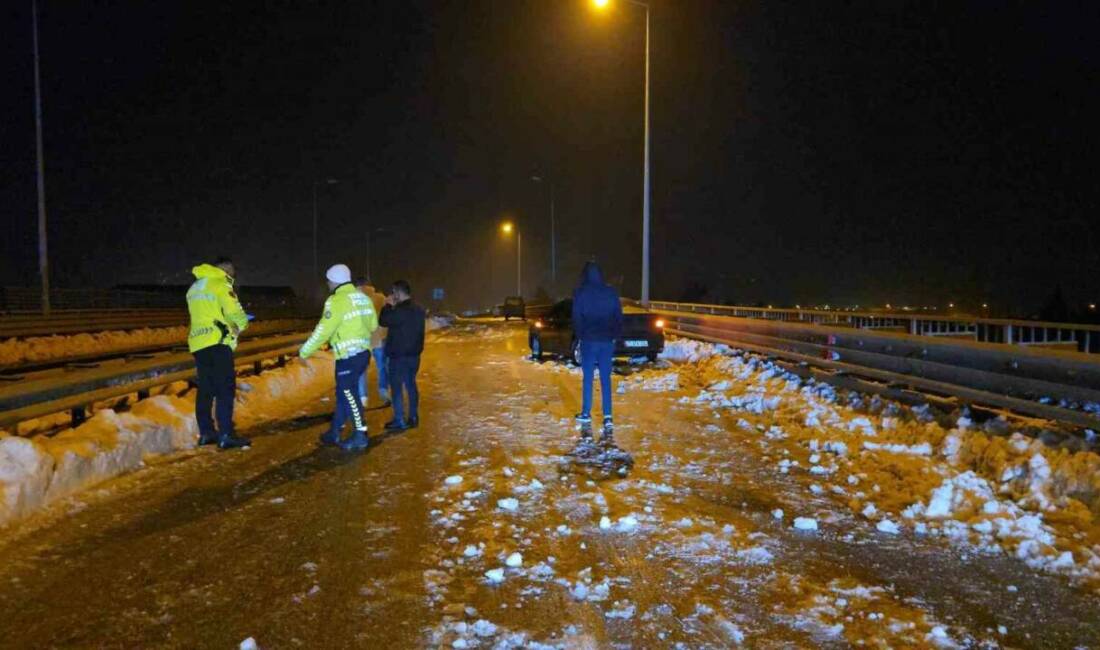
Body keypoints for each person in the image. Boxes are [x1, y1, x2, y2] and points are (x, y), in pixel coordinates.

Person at [299, 264, 378, 450]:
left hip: (348, 357)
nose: (327, 283)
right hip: (362, 354)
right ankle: (334, 432)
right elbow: (374, 325)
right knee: (343, 394)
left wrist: (304, 351)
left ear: (334, 280)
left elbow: (323, 331)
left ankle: (360, 434)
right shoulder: (363, 298)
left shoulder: (336, 301)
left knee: (349, 394)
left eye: (328, 280)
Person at [186, 257, 252, 449]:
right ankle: (226, 434)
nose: (231, 275)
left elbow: (206, 313)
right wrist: (243, 324)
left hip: (199, 343)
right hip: (217, 341)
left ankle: (207, 432)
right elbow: (234, 311)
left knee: (206, 388)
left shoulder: (194, 288)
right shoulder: (220, 284)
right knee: (225, 389)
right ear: (220, 270)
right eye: (229, 271)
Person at [572, 261, 623, 438]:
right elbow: (618, 316)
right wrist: (614, 335)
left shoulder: (581, 293)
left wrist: (580, 335)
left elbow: (577, 317)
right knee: (605, 379)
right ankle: (608, 416)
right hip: (606, 342)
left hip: (588, 341)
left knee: (588, 378)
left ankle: (586, 413)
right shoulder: (611, 292)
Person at [378, 280, 425, 432]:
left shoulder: (398, 311)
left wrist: (387, 305)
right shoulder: (418, 309)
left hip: (399, 357)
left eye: (393, 292)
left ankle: (399, 420)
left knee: (397, 388)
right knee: (411, 384)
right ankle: (413, 417)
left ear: (398, 293)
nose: (392, 295)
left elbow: (383, 321)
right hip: (414, 356)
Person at [357, 282, 390, 408]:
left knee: (361, 370)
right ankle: (383, 392)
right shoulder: (380, 298)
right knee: (381, 367)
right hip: (377, 339)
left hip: (361, 340)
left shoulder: (352, 298)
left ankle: (363, 398)